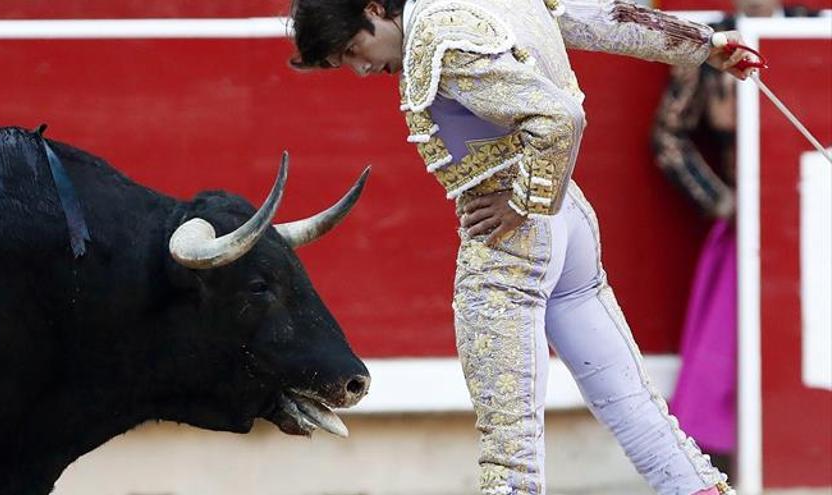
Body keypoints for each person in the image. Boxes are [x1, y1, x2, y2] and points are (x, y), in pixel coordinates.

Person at [289, 0, 751, 493]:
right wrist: (703, 45)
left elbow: (559, 118)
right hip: (569, 223)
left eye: (356, 48)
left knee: (510, 456)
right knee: (632, 403)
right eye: (346, 63)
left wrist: (524, 202)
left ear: (375, 8)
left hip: (510, 243)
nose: (362, 69)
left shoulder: (438, 36)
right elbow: (597, 19)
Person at [653, 0, 817, 480]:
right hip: (748, 227)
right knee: (726, 352)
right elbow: (667, 137)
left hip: (817, 218)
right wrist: (721, 202)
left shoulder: (815, 30)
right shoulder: (712, 44)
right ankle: (719, 466)